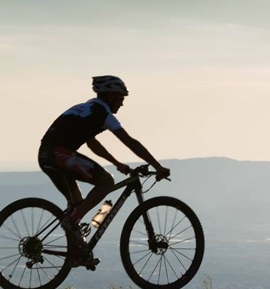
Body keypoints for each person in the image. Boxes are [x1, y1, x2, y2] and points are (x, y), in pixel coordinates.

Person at [38, 75, 171, 266]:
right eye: (120, 98)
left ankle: (76, 253)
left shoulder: (87, 109)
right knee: (107, 182)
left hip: (47, 155)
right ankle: (72, 221)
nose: (122, 104)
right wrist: (158, 167)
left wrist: (117, 163)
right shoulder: (102, 113)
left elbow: (92, 143)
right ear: (110, 96)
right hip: (60, 155)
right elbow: (129, 142)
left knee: (78, 204)